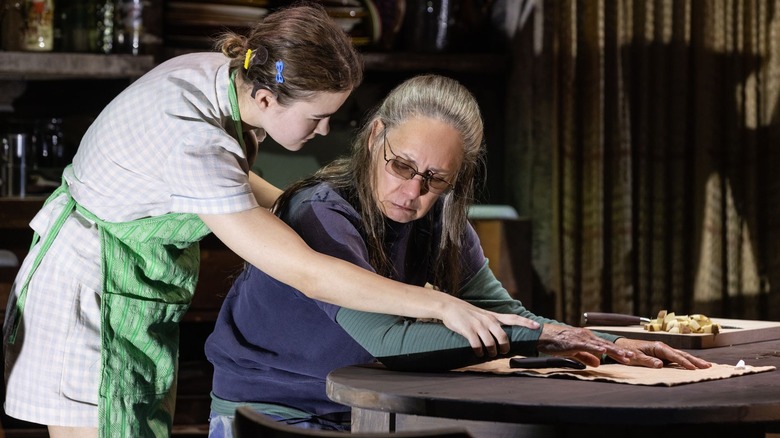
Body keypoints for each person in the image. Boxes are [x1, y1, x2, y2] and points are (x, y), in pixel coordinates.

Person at [1, 5, 542, 438]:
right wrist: (442, 303)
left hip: (132, 296)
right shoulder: (196, 140)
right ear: (266, 96)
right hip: (88, 298)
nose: (328, 131)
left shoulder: (226, 77)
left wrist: (310, 207)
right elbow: (308, 271)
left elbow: (238, 189)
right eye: (318, 116)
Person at [204, 74, 712, 436]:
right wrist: (548, 339)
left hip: (371, 413)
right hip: (275, 416)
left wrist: (608, 343)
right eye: (401, 166)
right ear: (376, 136)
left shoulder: (441, 221)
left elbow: (506, 312)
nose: (413, 191)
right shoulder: (322, 212)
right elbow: (385, 337)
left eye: (436, 179)